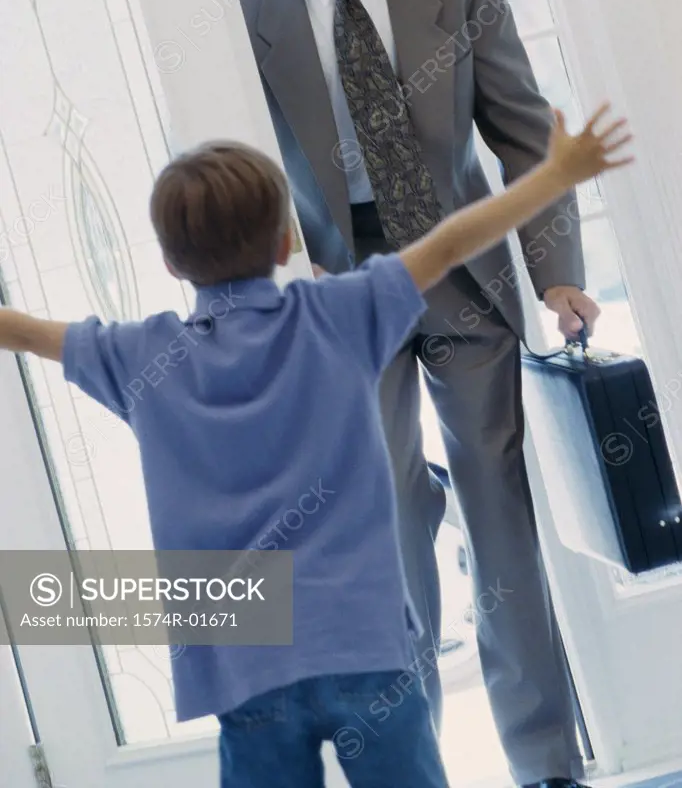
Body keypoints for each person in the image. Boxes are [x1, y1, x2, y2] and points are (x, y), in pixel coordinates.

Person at [0, 104, 631, 788]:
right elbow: (449, 244)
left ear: (170, 264)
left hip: (243, 665)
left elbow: (22, 331)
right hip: (364, 644)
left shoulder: (139, 357)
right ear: (283, 245)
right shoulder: (335, 317)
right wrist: (557, 174)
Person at [232, 0, 605, 787]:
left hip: (459, 262)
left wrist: (558, 275)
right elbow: (241, 161)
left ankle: (544, 765)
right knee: (391, 524)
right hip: (338, 284)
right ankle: (412, 762)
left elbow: (524, 129)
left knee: (500, 512)